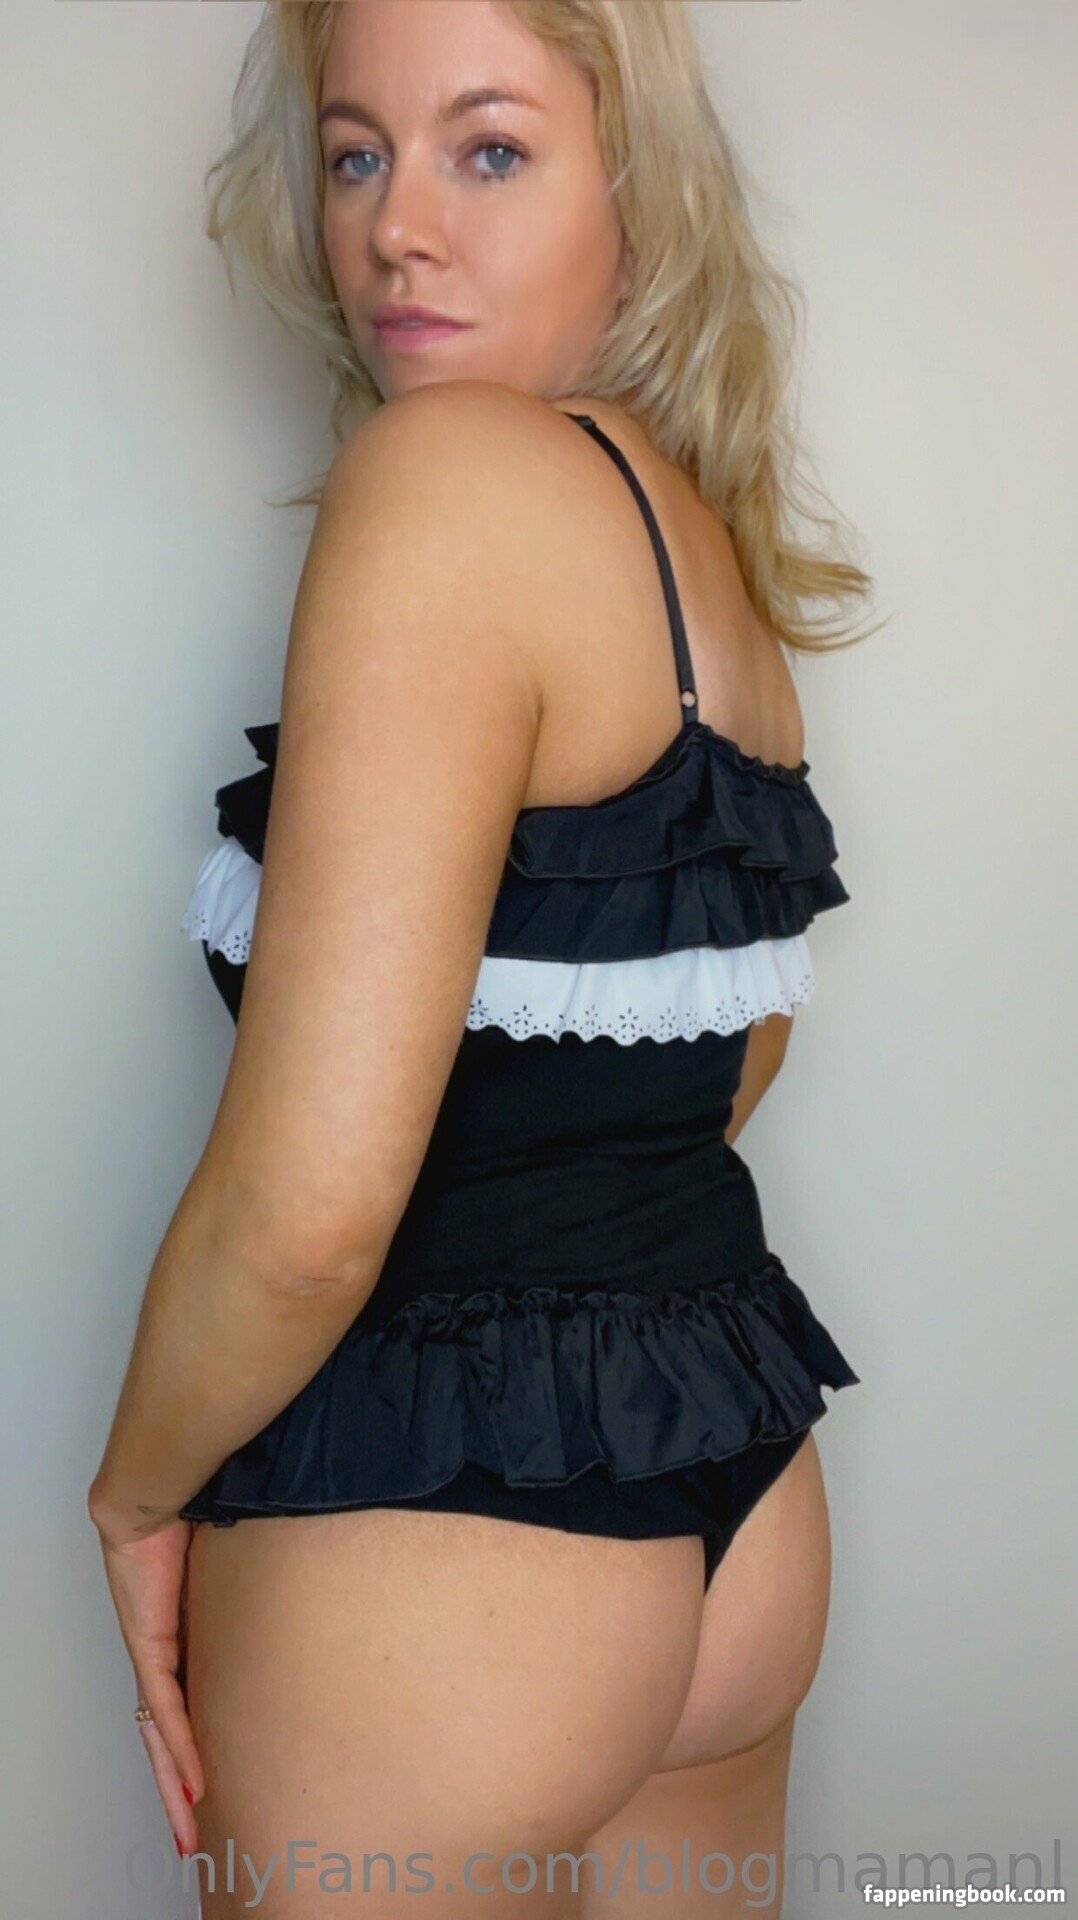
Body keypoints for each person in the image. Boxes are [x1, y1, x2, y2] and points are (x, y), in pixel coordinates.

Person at [89, 3, 881, 1914]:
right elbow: (723, 1066)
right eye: (355, 153)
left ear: (637, 188)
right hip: (738, 1490)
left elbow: (308, 1217)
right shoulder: (695, 547)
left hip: (447, 1541)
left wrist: (132, 1493)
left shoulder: (442, 480)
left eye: (489, 147)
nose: (395, 227)